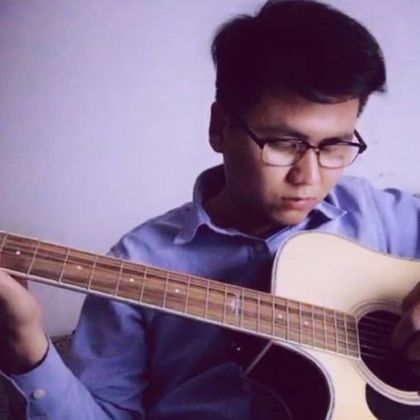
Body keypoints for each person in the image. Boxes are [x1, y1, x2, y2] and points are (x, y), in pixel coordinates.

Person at [1, 0, 420, 418]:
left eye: (335, 145)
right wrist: (25, 348)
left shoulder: (379, 215)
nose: (308, 176)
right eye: (283, 144)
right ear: (220, 127)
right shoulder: (138, 261)